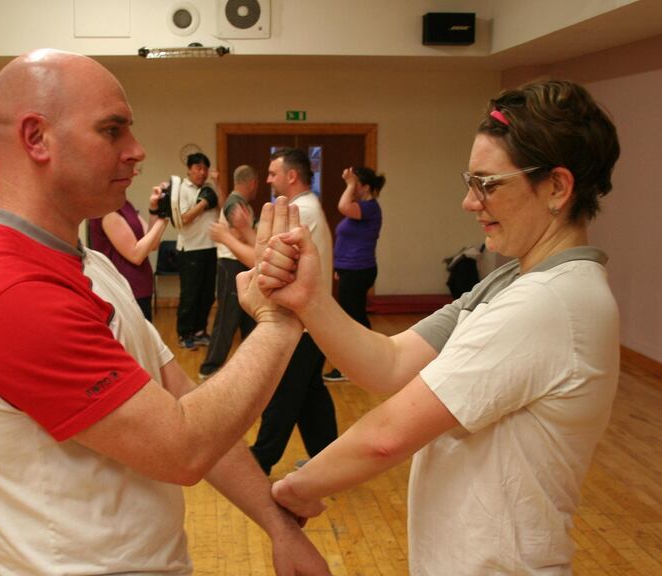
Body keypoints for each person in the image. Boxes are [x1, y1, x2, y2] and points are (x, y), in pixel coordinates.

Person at [0, 49, 329, 575]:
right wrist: (283, 321)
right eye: (113, 131)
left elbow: (184, 402)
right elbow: (183, 446)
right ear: (35, 138)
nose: (137, 151)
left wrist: (276, 523)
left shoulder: (90, 263)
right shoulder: (6, 290)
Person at [262, 80, 622, 574]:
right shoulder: (514, 281)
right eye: (470, 182)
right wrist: (309, 300)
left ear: (557, 187)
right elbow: (387, 365)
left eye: (488, 184)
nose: (470, 202)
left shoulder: (549, 302)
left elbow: (387, 436)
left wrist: (292, 492)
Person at [249, 148, 338, 475]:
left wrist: (235, 238)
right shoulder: (308, 208)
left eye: (273, 173)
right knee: (310, 392)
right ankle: (327, 459)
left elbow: (267, 260)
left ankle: (260, 459)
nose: (268, 179)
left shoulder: (301, 211)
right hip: (310, 320)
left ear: (291, 176)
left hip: (301, 322)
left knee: (284, 392)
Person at [323, 167, 385, 382]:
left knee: (352, 319)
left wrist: (349, 185)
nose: (350, 187)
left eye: (355, 184)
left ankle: (358, 365)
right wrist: (340, 268)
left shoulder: (370, 208)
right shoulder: (362, 208)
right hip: (350, 270)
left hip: (359, 270)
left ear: (365, 187)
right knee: (354, 316)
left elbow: (342, 206)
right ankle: (369, 361)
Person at [198, 164, 259, 380]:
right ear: (252, 183)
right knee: (227, 318)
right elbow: (237, 233)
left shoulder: (235, 202)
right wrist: (250, 233)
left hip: (239, 264)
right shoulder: (236, 204)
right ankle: (209, 368)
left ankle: (251, 365)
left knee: (248, 318)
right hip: (231, 264)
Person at [165, 152, 220, 350]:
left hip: (211, 247)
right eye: (198, 168)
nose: (202, 172)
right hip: (190, 249)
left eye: (205, 168)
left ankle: (199, 331)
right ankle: (184, 333)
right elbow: (183, 219)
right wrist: (204, 203)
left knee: (207, 295)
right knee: (191, 294)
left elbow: (222, 209)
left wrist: (217, 185)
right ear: (189, 169)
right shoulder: (181, 189)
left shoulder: (209, 188)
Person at [87, 189, 168, 321]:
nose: (134, 172)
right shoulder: (107, 210)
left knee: (144, 339)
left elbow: (153, 244)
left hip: (141, 286)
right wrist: (165, 216)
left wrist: (155, 210)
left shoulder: (125, 205)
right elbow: (136, 255)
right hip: (125, 291)